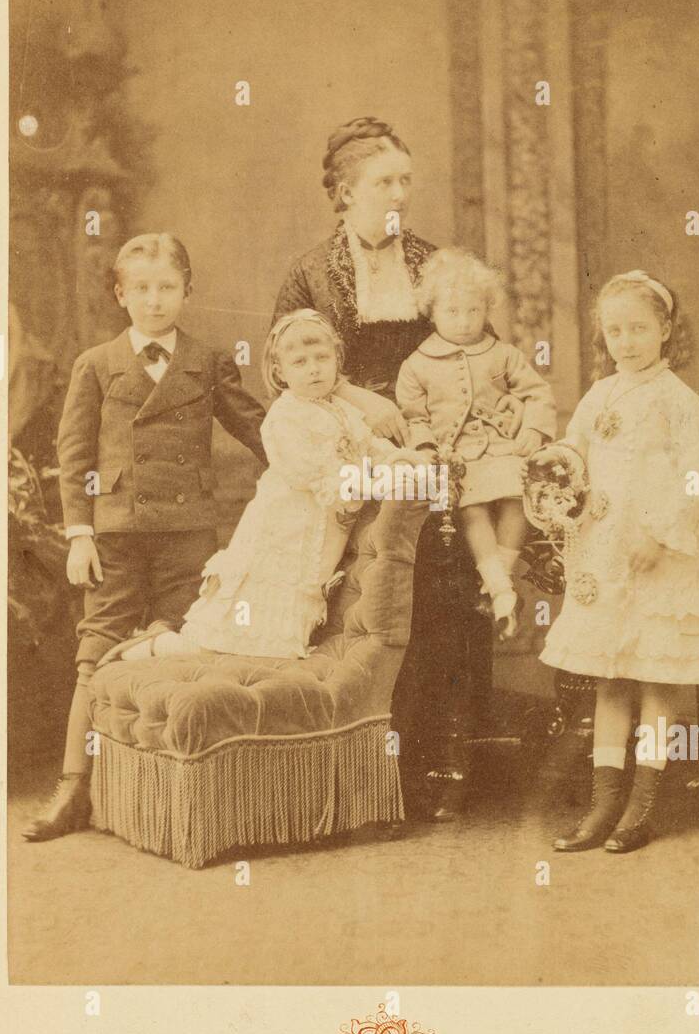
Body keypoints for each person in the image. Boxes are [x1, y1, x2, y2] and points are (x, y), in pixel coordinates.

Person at [271, 117, 524, 818]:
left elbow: (481, 353)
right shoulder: (310, 272)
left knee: (442, 595)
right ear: (346, 191)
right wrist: (356, 398)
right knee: (366, 602)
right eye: (384, 181)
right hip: (348, 451)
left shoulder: (434, 264)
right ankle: (362, 769)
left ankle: (445, 760)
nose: (399, 193)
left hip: (433, 450)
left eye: (405, 180)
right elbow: (282, 363)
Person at [22, 233, 268, 842]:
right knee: (95, 647)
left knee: (185, 645)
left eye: (167, 287)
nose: (154, 301)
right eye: (141, 289)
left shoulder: (208, 362)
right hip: (117, 533)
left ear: (187, 291)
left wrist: (313, 445)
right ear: (120, 294)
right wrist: (80, 534)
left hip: (188, 533)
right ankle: (74, 785)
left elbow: (254, 426)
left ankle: (172, 785)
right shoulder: (96, 363)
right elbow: (74, 451)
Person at [537, 269, 699, 854]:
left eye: (639, 328)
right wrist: (554, 461)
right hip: (607, 550)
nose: (626, 341)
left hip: (662, 552)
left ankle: (642, 804)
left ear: (665, 329)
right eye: (614, 330)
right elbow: (576, 446)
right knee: (612, 675)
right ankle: (603, 803)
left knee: (656, 676)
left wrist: (660, 536)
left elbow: (696, 475)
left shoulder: (679, 400)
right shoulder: (599, 395)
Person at [102, 310, 431, 663]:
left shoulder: (342, 410)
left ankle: (170, 644)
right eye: (300, 362)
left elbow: (370, 447)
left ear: (338, 359)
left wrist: (406, 462)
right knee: (236, 636)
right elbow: (314, 475)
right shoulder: (285, 416)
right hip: (281, 537)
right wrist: (371, 480)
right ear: (280, 371)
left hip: (318, 536)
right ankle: (153, 646)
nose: (314, 369)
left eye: (322, 358)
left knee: (277, 637)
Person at [396, 248, 556, 638]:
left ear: (487, 309)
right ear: (431, 312)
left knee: (520, 496)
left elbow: (538, 393)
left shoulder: (503, 354)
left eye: (474, 311)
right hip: (457, 457)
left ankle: (496, 584)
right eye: (452, 312)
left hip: (502, 449)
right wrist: (426, 448)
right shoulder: (417, 364)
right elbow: (414, 417)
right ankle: (501, 586)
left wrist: (533, 431)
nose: (464, 321)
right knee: (471, 508)